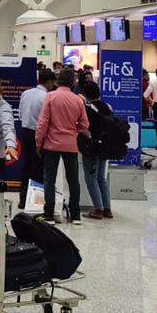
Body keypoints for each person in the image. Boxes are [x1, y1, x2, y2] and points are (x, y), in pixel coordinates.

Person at [36, 68, 89, 224]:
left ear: (58, 81)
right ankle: (75, 215)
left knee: (49, 179)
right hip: (70, 145)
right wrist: (74, 130)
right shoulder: (77, 100)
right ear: (73, 82)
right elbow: (85, 124)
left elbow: (43, 123)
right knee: (73, 180)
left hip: (51, 144)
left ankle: (49, 214)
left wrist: (39, 142)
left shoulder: (50, 97)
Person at [18, 69, 55, 209]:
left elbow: (20, 114)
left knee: (26, 165)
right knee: (38, 168)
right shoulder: (47, 97)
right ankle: (35, 202)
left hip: (25, 131)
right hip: (39, 133)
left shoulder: (26, 93)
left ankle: (23, 199)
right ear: (49, 82)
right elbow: (47, 119)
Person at [80, 83, 114, 220]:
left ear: (86, 95)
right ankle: (107, 209)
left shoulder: (87, 109)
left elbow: (83, 127)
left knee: (90, 177)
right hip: (105, 146)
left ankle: (98, 209)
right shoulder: (108, 107)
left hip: (91, 146)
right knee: (101, 177)